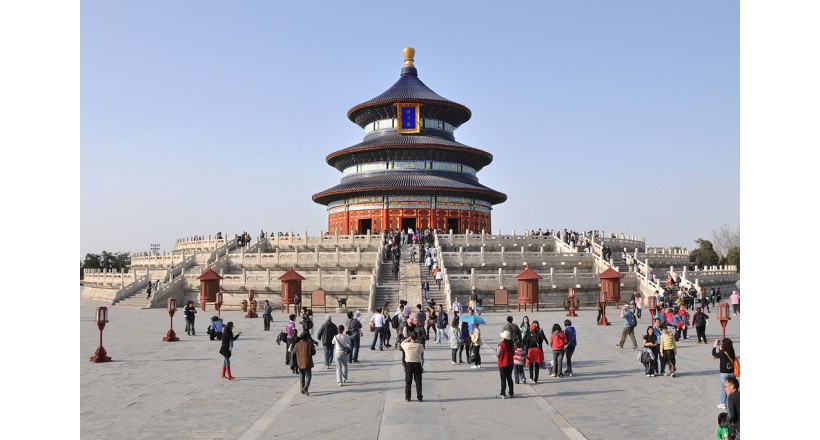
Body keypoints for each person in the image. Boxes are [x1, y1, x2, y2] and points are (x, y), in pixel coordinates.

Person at [712, 338, 737, 409]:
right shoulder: (732, 351)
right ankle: (731, 403)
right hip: (732, 372)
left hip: (724, 373)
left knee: (724, 388)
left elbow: (714, 354)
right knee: (731, 388)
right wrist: (721, 348)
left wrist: (714, 346)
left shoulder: (722, 353)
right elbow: (725, 353)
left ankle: (722, 403)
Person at [400, 332, 424, 402]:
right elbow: (422, 351)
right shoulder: (420, 346)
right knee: (418, 382)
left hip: (408, 365)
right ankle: (419, 397)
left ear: (411, 337)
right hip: (417, 364)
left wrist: (409, 338)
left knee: (408, 382)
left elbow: (402, 342)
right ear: (417, 338)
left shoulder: (406, 345)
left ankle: (408, 397)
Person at [293, 331, 316, 396]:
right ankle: (305, 388)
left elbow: (294, 352)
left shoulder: (297, 344)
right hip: (307, 362)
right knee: (308, 376)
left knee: (301, 376)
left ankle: (302, 390)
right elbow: (313, 353)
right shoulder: (309, 344)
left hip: (299, 362)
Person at [496, 330, 515, 399]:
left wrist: (496, 350)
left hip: (502, 364)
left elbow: (497, 355)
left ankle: (503, 393)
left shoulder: (501, 345)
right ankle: (511, 392)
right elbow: (514, 353)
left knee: (503, 379)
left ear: (504, 337)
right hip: (510, 363)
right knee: (509, 378)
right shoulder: (512, 344)